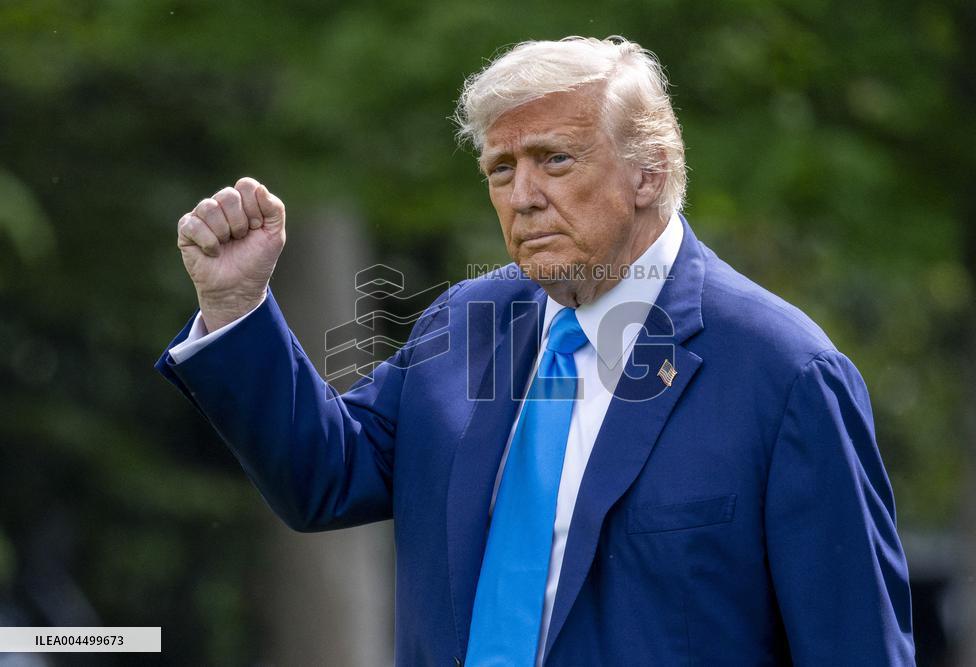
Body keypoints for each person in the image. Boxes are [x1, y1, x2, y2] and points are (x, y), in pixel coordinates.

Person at [156, 37, 915, 665]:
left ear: (648, 172)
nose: (522, 196)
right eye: (500, 168)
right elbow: (322, 474)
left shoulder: (784, 373)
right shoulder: (466, 324)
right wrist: (235, 306)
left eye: (555, 160)